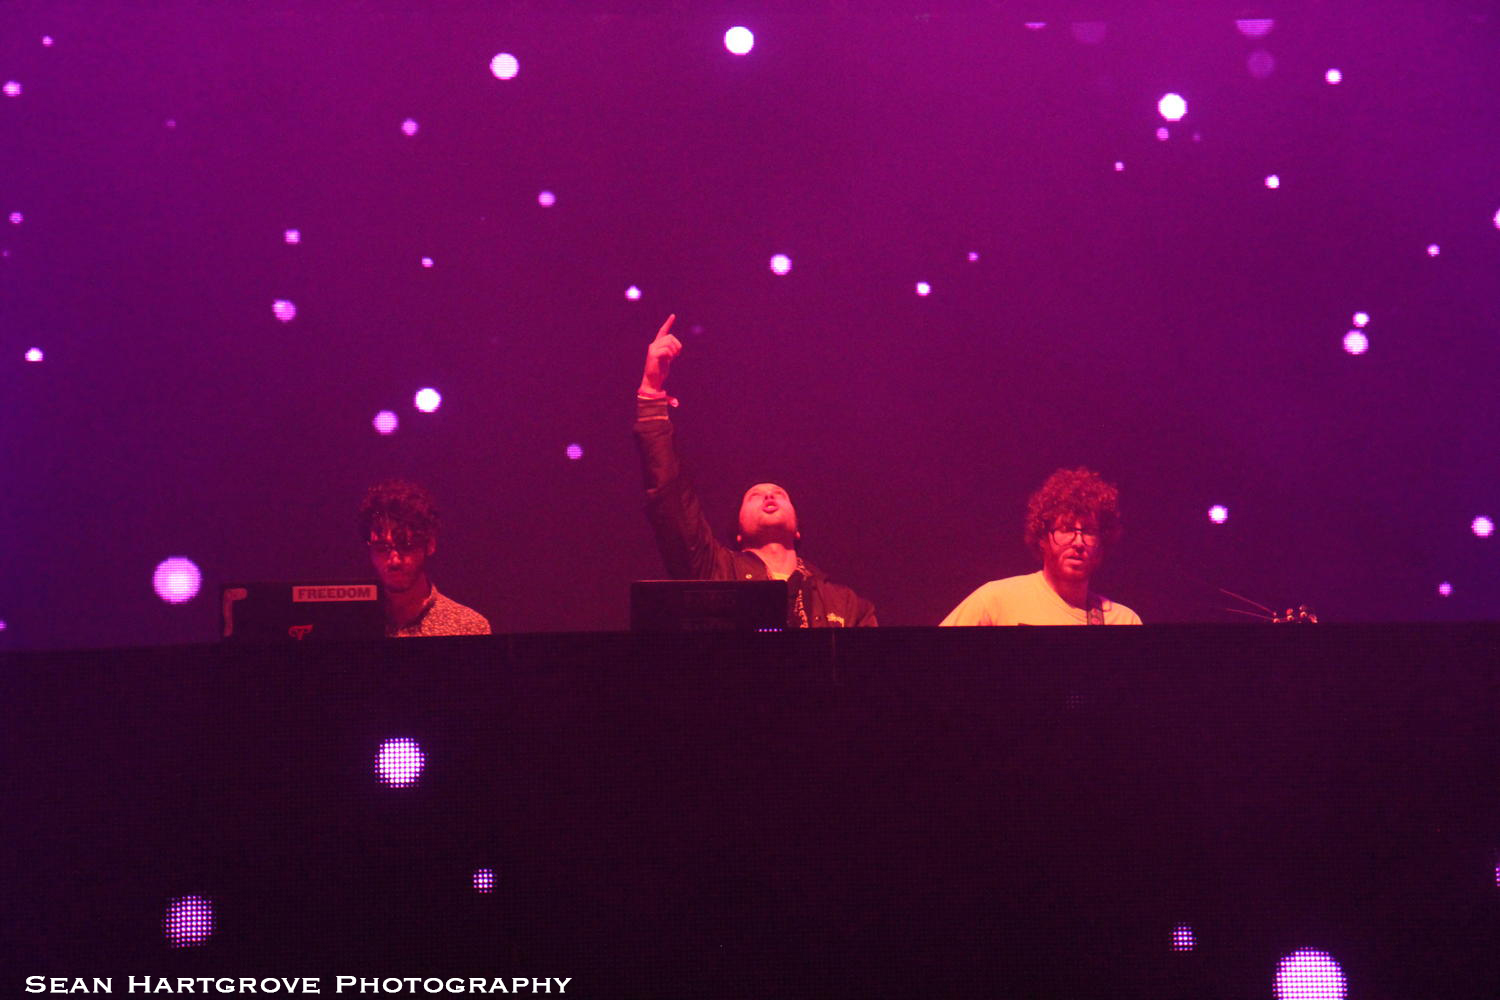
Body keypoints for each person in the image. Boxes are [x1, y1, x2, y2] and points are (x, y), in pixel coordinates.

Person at [633, 314, 877, 628]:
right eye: (754, 496)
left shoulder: (846, 603)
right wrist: (651, 392)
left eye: (779, 494)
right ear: (738, 531)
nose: (768, 496)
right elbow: (671, 501)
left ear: (798, 529)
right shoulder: (716, 572)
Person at [941, 467, 1141, 626]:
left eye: (1088, 532)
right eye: (1066, 529)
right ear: (1042, 538)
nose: (1078, 542)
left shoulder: (1122, 620)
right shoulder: (996, 600)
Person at [358, 479, 491, 637]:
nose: (394, 561)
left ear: (430, 545)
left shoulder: (468, 627)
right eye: (382, 548)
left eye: (406, 546)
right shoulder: (354, 625)